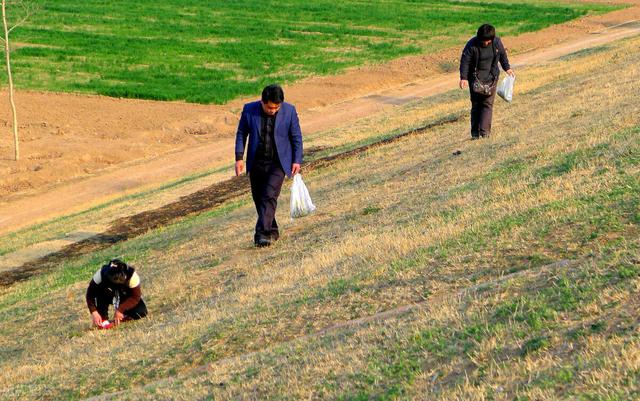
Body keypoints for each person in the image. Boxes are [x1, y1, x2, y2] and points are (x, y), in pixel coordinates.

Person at [235, 84, 303, 247]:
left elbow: (296, 137)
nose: (273, 110)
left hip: (278, 162)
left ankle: (262, 234)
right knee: (259, 199)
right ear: (262, 102)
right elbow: (241, 133)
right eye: (270, 107)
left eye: (276, 107)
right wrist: (239, 157)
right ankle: (272, 230)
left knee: (269, 196)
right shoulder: (249, 110)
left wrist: (297, 160)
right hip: (256, 162)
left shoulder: (289, 111)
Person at [459, 24, 515, 139]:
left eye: (488, 41)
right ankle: (475, 133)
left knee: (487, 104)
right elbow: (465, 61)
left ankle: (485, 133)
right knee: (476, 105)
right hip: (475, 80)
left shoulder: (497, 43)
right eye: (483, 41)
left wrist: (507, 68)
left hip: (492, 78)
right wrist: (463, 78)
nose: (485, 43)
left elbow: (502, 55)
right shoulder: (471, 45)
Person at [86, 259, 147, 327]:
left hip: (125, 295)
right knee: (101, 292)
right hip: (106, 294)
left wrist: (120, 310)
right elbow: (90, 295)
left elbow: (135, 297)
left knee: (142, 311)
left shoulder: (132, 276)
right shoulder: (100, 274)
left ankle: (124, 317)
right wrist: (94, 312)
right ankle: (103, 319)